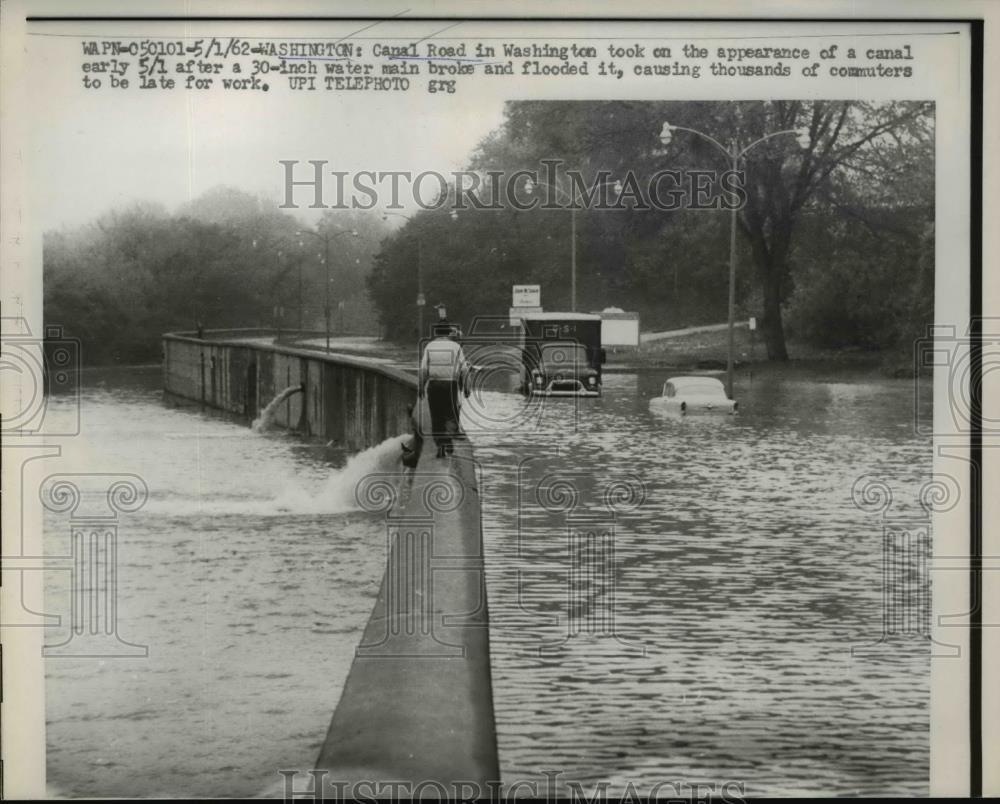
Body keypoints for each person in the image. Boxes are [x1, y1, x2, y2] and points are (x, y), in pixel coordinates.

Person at [418, 322, 470, 457]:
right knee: (450, 415)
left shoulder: (430, 346)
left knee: (436, 416)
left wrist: (421, 387)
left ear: (436, 333)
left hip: (434, 385)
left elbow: (423, 369)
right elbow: (464, 369)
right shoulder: (456, 347)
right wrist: (466, 387)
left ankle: (440, 444)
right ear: (448, 333)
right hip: (450, 385)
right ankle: (448, 439)